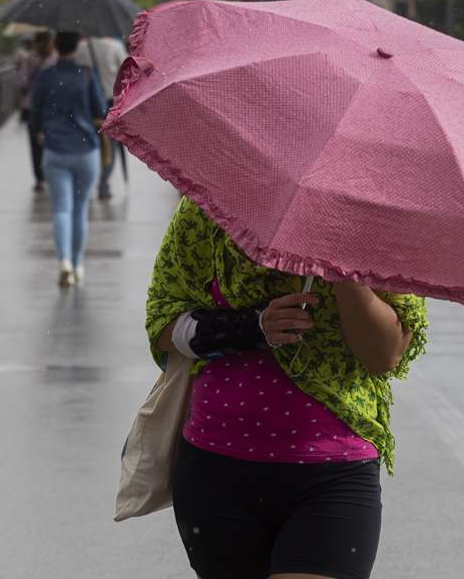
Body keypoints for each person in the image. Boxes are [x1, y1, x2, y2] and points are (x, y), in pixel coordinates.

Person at [146, 198, 428, 579]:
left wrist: (340, 265)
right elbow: (163, 321)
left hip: (334, 474)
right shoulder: (211, 205)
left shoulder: (382, 222)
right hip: (218, 471)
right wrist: (251, 326)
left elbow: (384, 354)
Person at [29, 31, 107, 287]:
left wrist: (41, 132)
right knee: (80, 208)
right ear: (77, 47)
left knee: (61, 208)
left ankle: (63, 261)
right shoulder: (86, 74)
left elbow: (35, 112)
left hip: (55, 149)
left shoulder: (46, 77)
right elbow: (100, 111)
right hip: (86, 150)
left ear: (55, 46)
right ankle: (77, 264)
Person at [73, 36, 129, 200]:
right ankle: (103, 184)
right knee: (109, 147)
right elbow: (127, 72)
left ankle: (85, 184)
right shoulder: (115, 46)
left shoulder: (81, 47)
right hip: (111, 102)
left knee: (87, 143)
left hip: (86, 103)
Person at [18, 30, 57, 191]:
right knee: (52, 141)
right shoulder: (56, 58)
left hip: (33, 106)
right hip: (53, 106)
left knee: (35, 145)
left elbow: (22, 82)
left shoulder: (30, 59)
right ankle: (51, 173)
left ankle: (40, 178)